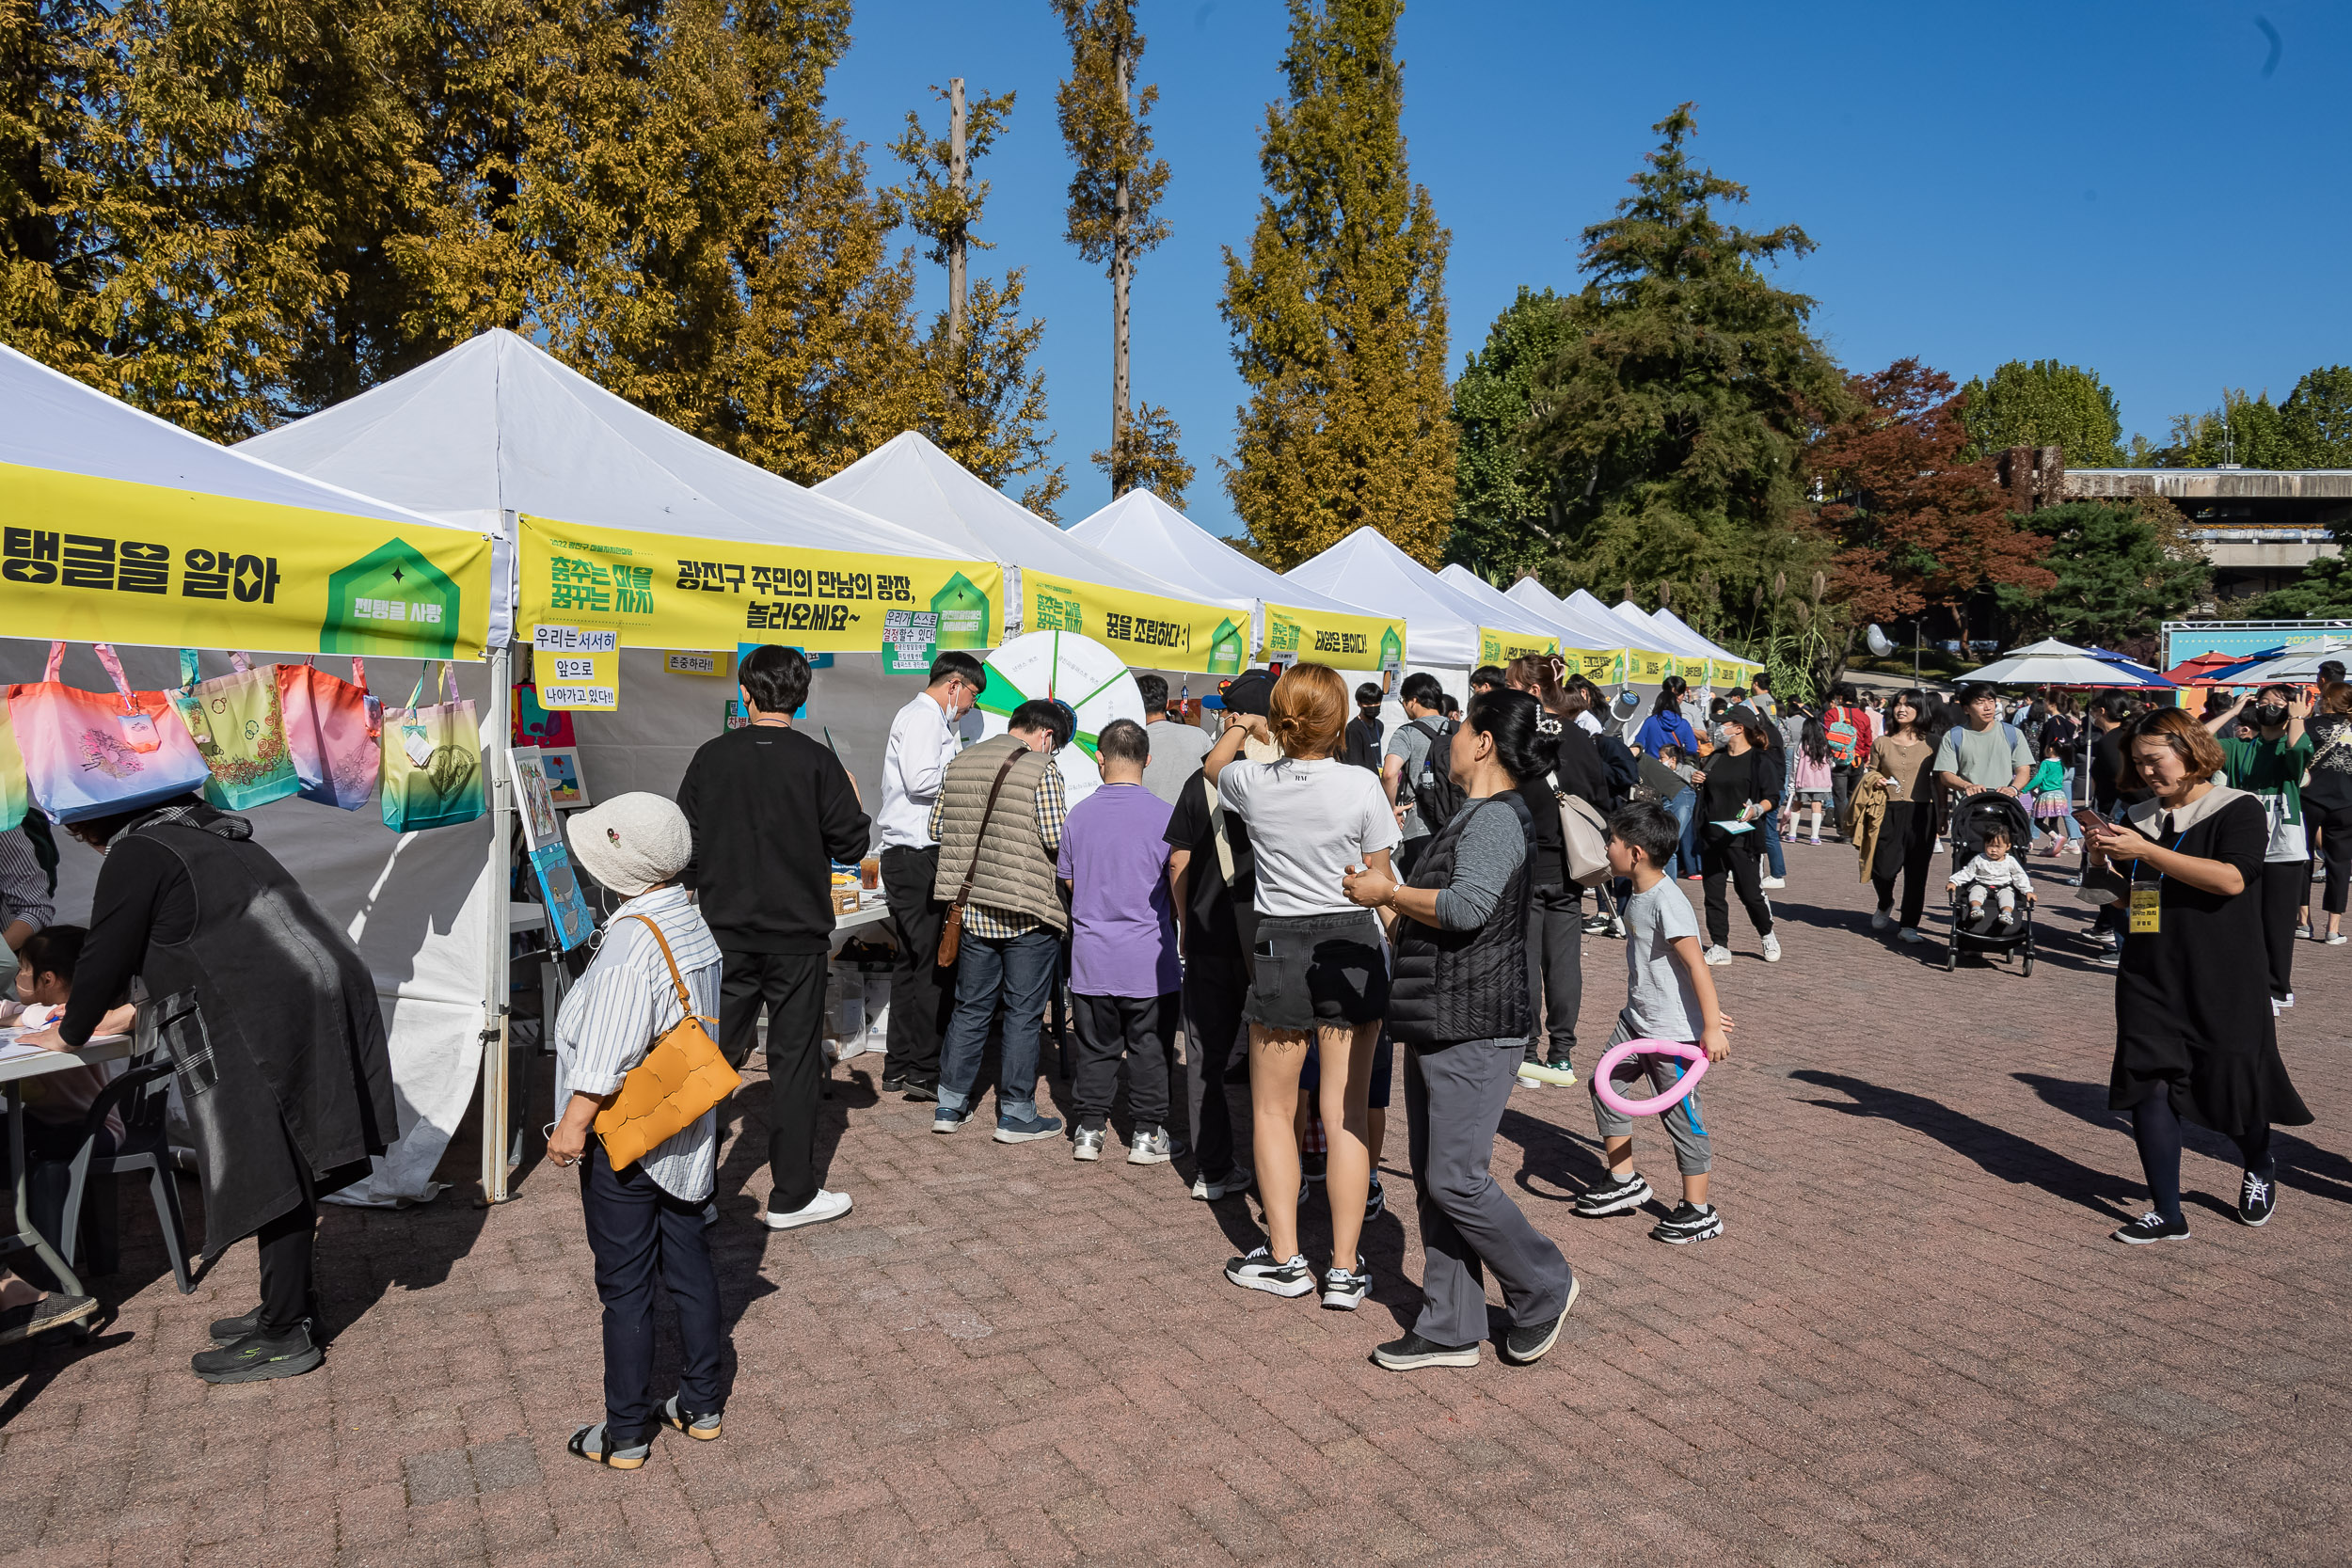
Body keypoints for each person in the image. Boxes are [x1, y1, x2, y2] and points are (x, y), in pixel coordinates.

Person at [24, 792, 395, 1384]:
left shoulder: (139, 849)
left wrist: (70, 1032)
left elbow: (105, 952)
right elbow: (194, 934)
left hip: (267, 1007)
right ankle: (288, 1309)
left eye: (76, 832)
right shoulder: (202, 829)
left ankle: (285, 1331)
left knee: (271, 1161)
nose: (82, 842)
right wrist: (123, 1015)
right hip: (308, 987)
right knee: (287, 1155)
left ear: (93, 823)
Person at [1340, 689, 1576, 1370]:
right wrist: (1384, 896)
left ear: (1484, 743)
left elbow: (1467, 907)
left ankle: (1544, 1283)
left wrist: (1388, 893)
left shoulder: (1497, 817)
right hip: (1444, 1014)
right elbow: (1436, 916)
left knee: (1456, 1178)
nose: (1448, 736)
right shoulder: (1474, 814)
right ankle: (1449, 1324)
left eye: (1460, 726)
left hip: (1476, 1019)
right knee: (1434, 1176)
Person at [543, 794, 730, 1467]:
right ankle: (701, 1404)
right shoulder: (690, 919)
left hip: (628, 1135)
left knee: (624, 1286)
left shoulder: (629, 941)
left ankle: (624, 1432)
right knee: (689, 1265)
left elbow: (605, 1057)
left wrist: (570, 1131)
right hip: (684, 1127)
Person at [1204, 664, 1397, 1307]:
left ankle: (1285, 1256)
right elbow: (1380, 878)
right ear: (1340, 720)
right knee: (1345, 1112)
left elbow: (1213, 766)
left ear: (1280, 720)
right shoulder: (1362, 783)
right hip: (1352, 939)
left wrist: (1240, 724)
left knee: (1272, 1110)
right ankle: (1343, 1268)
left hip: (1281, 941)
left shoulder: (1252, 781)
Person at [2086, 709, 2311, 1243]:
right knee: (2149, 1085)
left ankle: (2258, 1163)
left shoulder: (2238, 808)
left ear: (2189, 750)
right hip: (2149, 969)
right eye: (2137, 764)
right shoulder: (2138, 816)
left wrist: (2146, 852)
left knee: (2231, 1081)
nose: (2145, 773)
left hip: (2224, 970)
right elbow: (2124, 900)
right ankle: (2168, 1211)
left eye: (2154, 760)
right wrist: (2100, 865)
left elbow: (2233, 879)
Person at [675, 644, 869, 1230]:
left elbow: (684, 848)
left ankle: (691, 1194)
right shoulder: (817, 762)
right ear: (802, 698)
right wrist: (851, 803)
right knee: (793, 1063)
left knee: (708, 1061)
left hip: (723, 936)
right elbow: (852, 846)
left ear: (747, 694)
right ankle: (792, 1194)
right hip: (796, 937)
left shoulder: (711, 757)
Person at [1568, 800, 1733, 1243]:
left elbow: (1697, 964)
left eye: (1613, 842)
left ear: (1636, 853)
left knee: (1681, 1116)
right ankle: (1624, 1181)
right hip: (1636, 1022)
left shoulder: (1667, 901)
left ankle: (1699, 1210)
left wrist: (1710, 1024)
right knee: (1605, 1086)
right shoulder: (1637, 893)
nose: (1607, 848)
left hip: (1671, 1035)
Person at [929, 701, 1072, 1144]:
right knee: (1024, 1013)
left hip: (973, 907)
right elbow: (1055, 838)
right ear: (1047, 736)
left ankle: (949, 1105)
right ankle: (1015, 1113)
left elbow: (937, 827)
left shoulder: (960, 761)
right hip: (1026, 909)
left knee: (970, 1007)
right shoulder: (1042, 768)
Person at [1167, 671, 1278, 1201]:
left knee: (1207, 1051)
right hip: (1272, 929)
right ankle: (1284, 1173)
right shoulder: (1287, 776)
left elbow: (1178, 861)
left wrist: (1185, 923)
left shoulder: (1202, 780)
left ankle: (1212, 1167)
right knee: (1277, 1052)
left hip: (1210, 926)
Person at [0, 927, 135, 1345]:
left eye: (23, 970)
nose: (18, 979)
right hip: (55, 1123)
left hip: (88, 1129)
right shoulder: (58, 1013)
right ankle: (33, 1260)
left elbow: (130, 1015)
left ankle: (49, 1274)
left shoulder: (74, 1018)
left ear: (47, 979)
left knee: (30, 1159)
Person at [1058, 719, 1184, 1164]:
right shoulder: (1167, 815)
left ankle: (1089, 1130)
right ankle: (1147, 1134)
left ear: (1100, 758)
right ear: (1147, 761)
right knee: (1151, 1046)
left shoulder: (1078, 815)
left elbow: (1070, 882)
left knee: (1094, 1046)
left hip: (1092, 955)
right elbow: (1177, 884)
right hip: (1149, 955)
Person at [876, 651, 988, 1101]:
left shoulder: (931, 720)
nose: (969, 707)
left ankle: (899, 1063)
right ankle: (922, 1068)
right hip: (916, 853)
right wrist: (964, 769)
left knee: (912, 960)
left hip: (913, 854)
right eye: (972, 697)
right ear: (955, 684)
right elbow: (921, 780)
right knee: (932, 962)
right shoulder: (923, 717)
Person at [1503, 656, 1609, 1085]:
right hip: (1571, 866)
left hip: (1526, 862)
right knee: (1564, 962)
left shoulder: (1519, 737)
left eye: (1511, 685)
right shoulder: (1582, 739)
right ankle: (1561, 1053)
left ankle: (1527, 1053)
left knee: (1524, 959)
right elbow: (1602, 801)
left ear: (1532, 691)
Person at [2201, 686, 2312, 1011]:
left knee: (2277, 921)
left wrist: (2296, 717)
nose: (2269, 708)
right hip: (2243, 843)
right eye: (2262, 702)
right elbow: (2194, 739)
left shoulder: (2289, 745)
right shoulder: (2238, 747)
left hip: (2284, 844)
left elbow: (2296, 752)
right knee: (2239, 917)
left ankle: (2277, 987)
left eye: (2277, 703)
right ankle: (2248, 983)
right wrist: (2233, 712)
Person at [1692, 710, 1783, 965]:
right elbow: (1707, 791)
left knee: (1750, 892)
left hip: (1743, 838)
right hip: (1712, 836)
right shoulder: (1715, 758)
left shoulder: (1758, 760)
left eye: (1724, 724)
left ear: (1739, 728)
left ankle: (1766, 933)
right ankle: (1720, 945)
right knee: (1713, 894)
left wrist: (1756, 810)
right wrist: (1698, 780)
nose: (1718, 729)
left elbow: (1772, 797)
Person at [1866, 691, 1939, 942]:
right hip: (1888, 809)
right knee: (1883, 869)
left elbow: (1940, 782)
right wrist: (1876, 780)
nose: (1901, 709)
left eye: (1908, 705)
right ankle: (1885, 901)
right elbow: (1871, 773)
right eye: (1898, 704)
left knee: (1918, 872)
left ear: (1920, 710)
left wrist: (1944, 814)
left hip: (1923, 811)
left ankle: (1909, 924)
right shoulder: (1882, 743)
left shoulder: (1934, 743)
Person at [1932, 682, 2033, 865]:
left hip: (2005, 811)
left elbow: (2023, 770)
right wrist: (1966, 786)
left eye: (1991, 701)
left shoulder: (2012, 734)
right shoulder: (1955, 736)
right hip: (1969, 814)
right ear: (1966, 709)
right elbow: (1946, 774)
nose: (1987, 707)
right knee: (1968, 866)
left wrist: (2013, 788)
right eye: (1980, 702)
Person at [1382, 672, 1449, 878]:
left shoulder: (1407, 733)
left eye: (1403, 701)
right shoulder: (1459, 729)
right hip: (1457, 823)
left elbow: (1390, 773)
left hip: (1419, 823)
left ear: (1413, 701)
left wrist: (1392, 808)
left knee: (1412, 888)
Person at [2302, 681, 2352, 945]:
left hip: (2311, 799)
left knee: (2303, 858)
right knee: (2340, 865)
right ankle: (2333, 928)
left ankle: (2303, 921)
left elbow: (2296, 753)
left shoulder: (2311, 726)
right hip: (2347, 803)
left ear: (2327, 700)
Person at [1137, 673, 1216, 805]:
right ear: (1167, 703)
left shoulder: (1130, 742)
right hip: (1194, 821)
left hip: (1149, 819)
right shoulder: (1199, 736)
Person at [1948, 826, 2034, 936]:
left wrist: (2027, 891)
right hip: (1982, 884)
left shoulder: (2010, 861)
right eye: (1989, 846)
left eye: (1998, 847)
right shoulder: (1980, 859)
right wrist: (1954, 881)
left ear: (2007, 847)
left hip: (2003, 886)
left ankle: (2006, 914)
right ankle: (1976, 909)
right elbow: (1967, 872)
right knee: (1975, 893)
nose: (1993, 850)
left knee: (2007, 897)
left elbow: (2019, 876)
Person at [1821, 685, 1875, 835]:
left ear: (1840, 697)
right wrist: (1865, 757)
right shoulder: (1864, 716)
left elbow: (1827, 737)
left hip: (1839, 760)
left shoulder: (1832, 714)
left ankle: (1843, 830)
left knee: (1840, 797)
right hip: (1857, 759)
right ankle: (1853, 829)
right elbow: (1867, 740)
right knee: (1853, 796)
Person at [1785, 718, 1834, 844]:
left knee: (1797, 806)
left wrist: (1791, 784)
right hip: (1821, 782)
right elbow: (1831, 763)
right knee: (1817, 806)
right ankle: (1814, 837)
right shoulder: (1824, 744)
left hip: (1803, 781)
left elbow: (1795, 765)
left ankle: (1792, 834)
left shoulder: (1801, 744)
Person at [1633, 687, 1699, 760]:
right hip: (1674, 765)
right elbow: (1692, 748)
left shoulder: (1650, 721)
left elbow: (1639, 743)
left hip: (1652, 764)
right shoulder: (1684, 723)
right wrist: (1678, 753)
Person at [1342, 682, 1387, 772]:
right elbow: (1354, 762)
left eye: (1377, 702)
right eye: (1368, 704)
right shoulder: (1353, 729)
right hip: (1362, 780)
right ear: (1359, 704)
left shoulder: (1379, 725)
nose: (1373, 706)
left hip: (1376, 778)